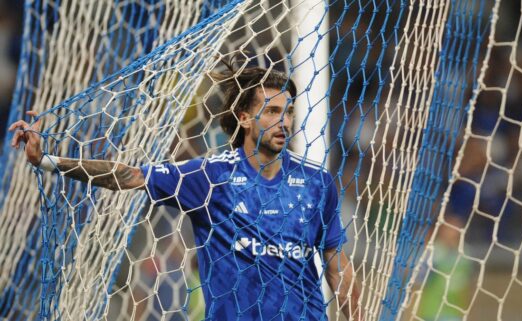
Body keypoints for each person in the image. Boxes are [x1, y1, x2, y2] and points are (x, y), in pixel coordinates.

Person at [9, 66, 362, 320]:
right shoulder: (211, 175)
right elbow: (129, 176)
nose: (284, 122)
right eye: (271, 111)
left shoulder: (316, 182)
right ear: (243, 118)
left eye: (288, 113)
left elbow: (336, 266)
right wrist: (47, 160)